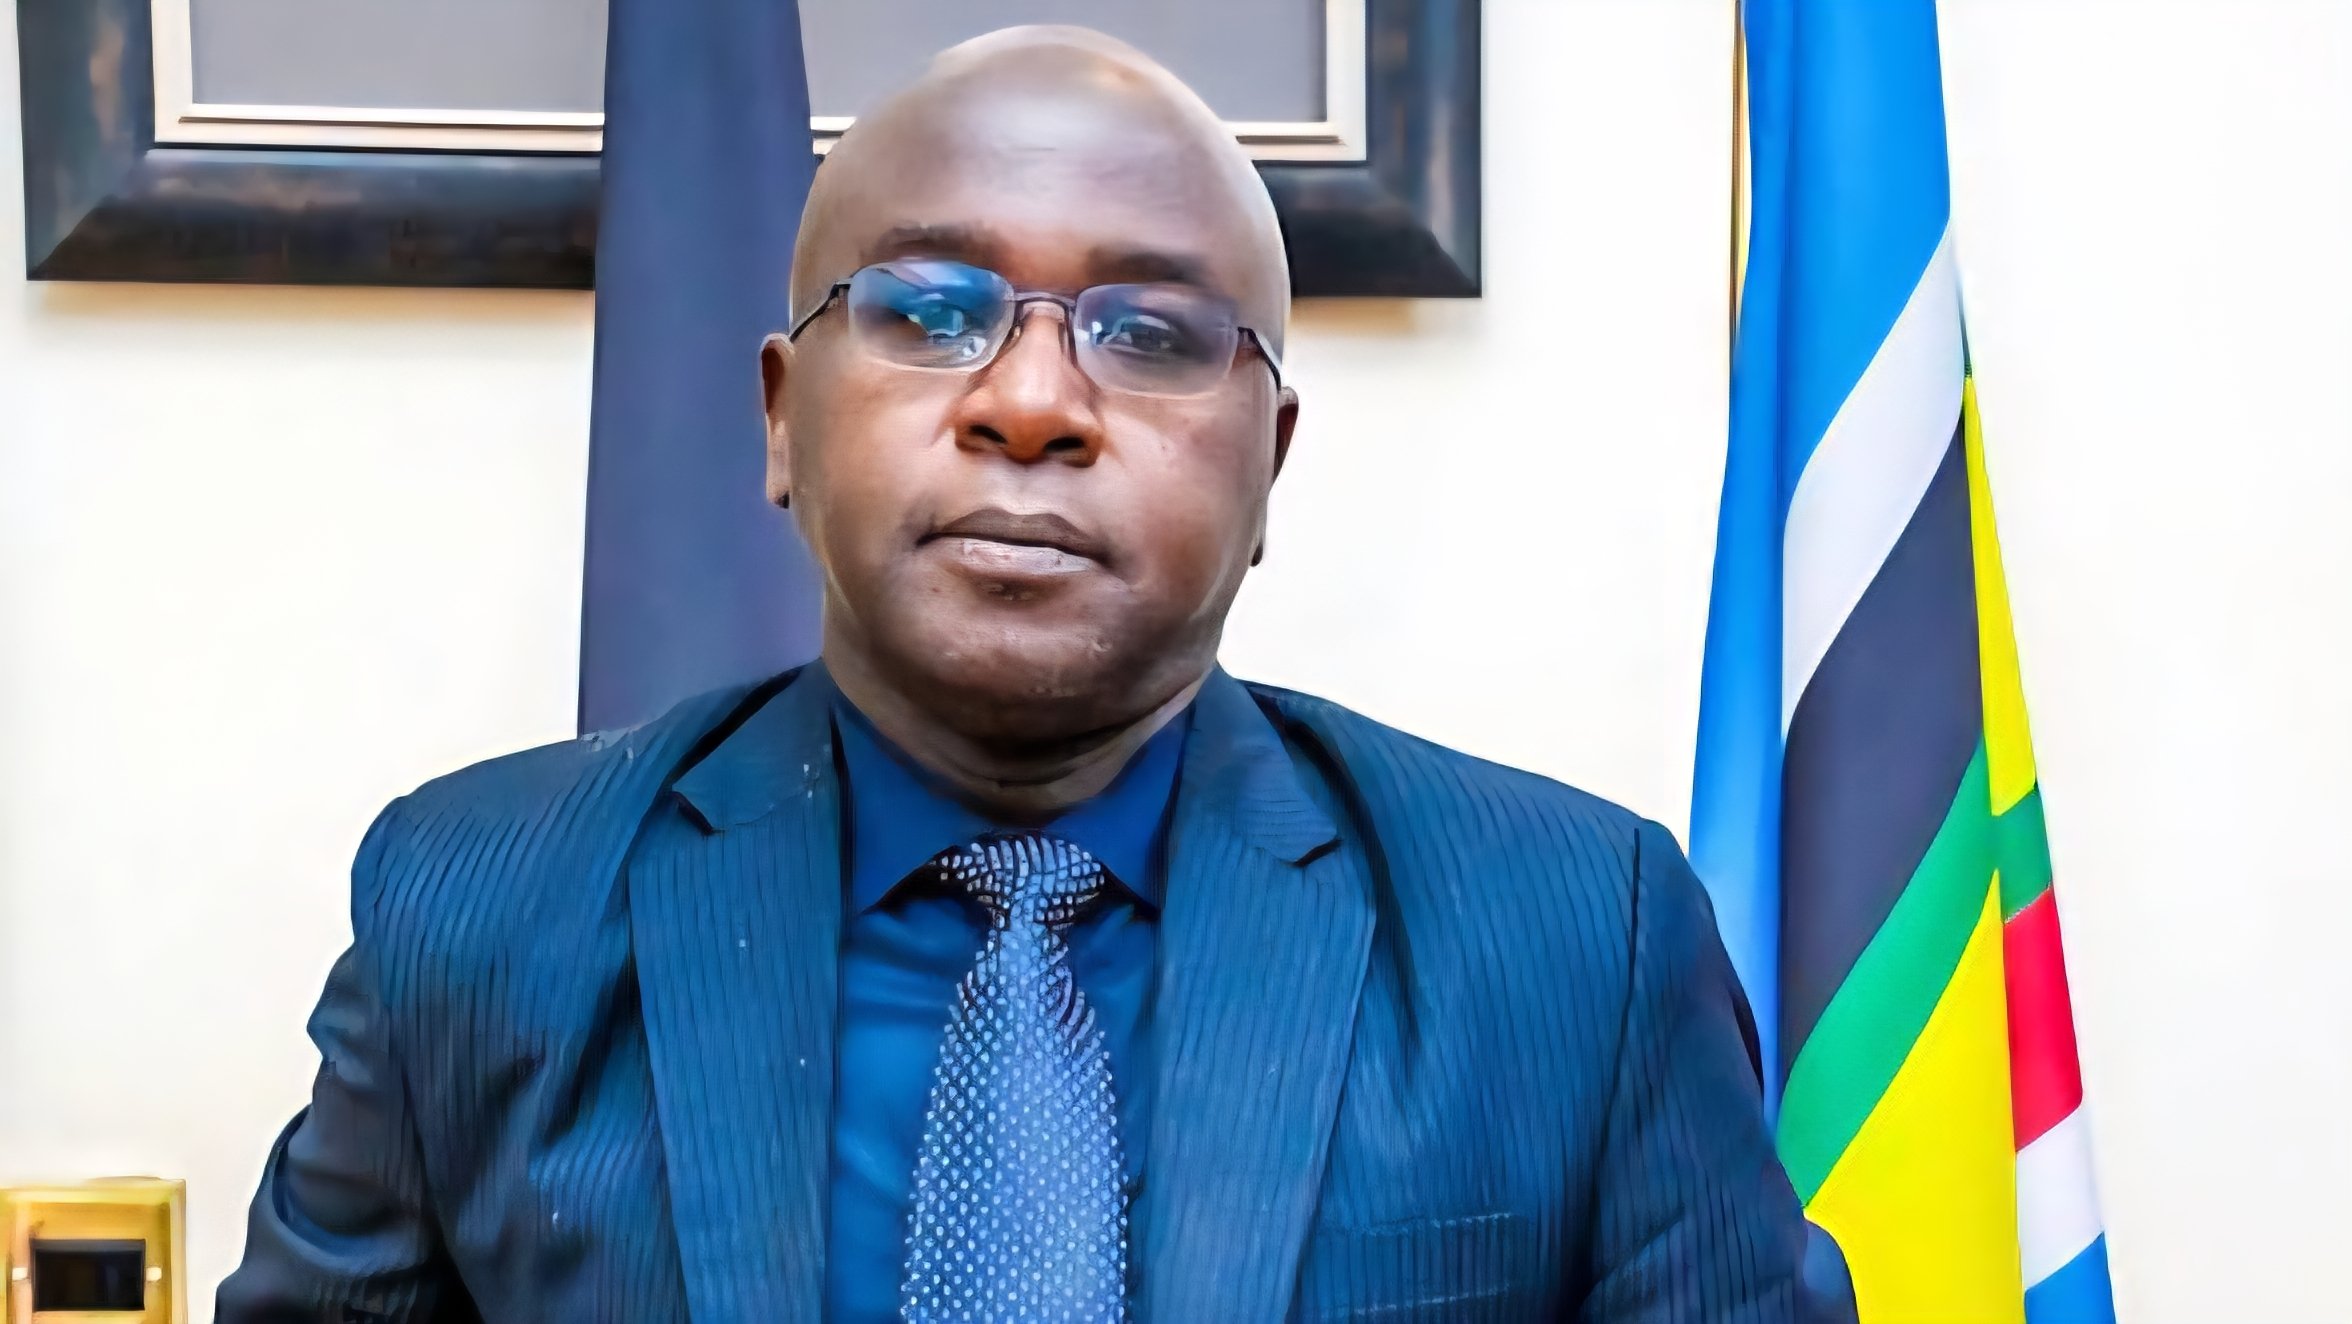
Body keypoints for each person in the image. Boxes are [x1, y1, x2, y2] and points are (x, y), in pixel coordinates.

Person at [219, 26, 1839, 1324]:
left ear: (1268, 464)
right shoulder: (481, 916)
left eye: (1152, 334)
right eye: (930, 311)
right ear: (782, 419)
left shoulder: (1575, 945)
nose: (1033, 404)